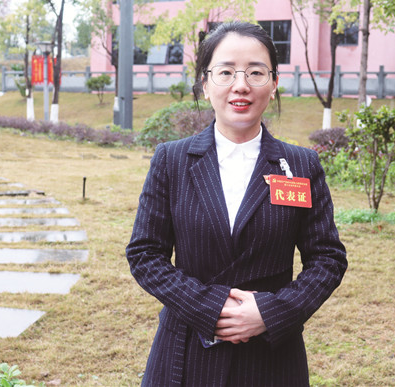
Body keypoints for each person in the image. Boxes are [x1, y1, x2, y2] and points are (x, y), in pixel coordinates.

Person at [126, 21, 348, 387]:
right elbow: (145, 253)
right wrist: (209, 307)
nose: (240, 85)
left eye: (256, 72)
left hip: (271, 359)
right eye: (226, 72)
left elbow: (327, 259)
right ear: (205, 83)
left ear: (274, 83)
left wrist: (271, 312)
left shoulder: (301, 165)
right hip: (186, 352)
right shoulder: (172, 160)